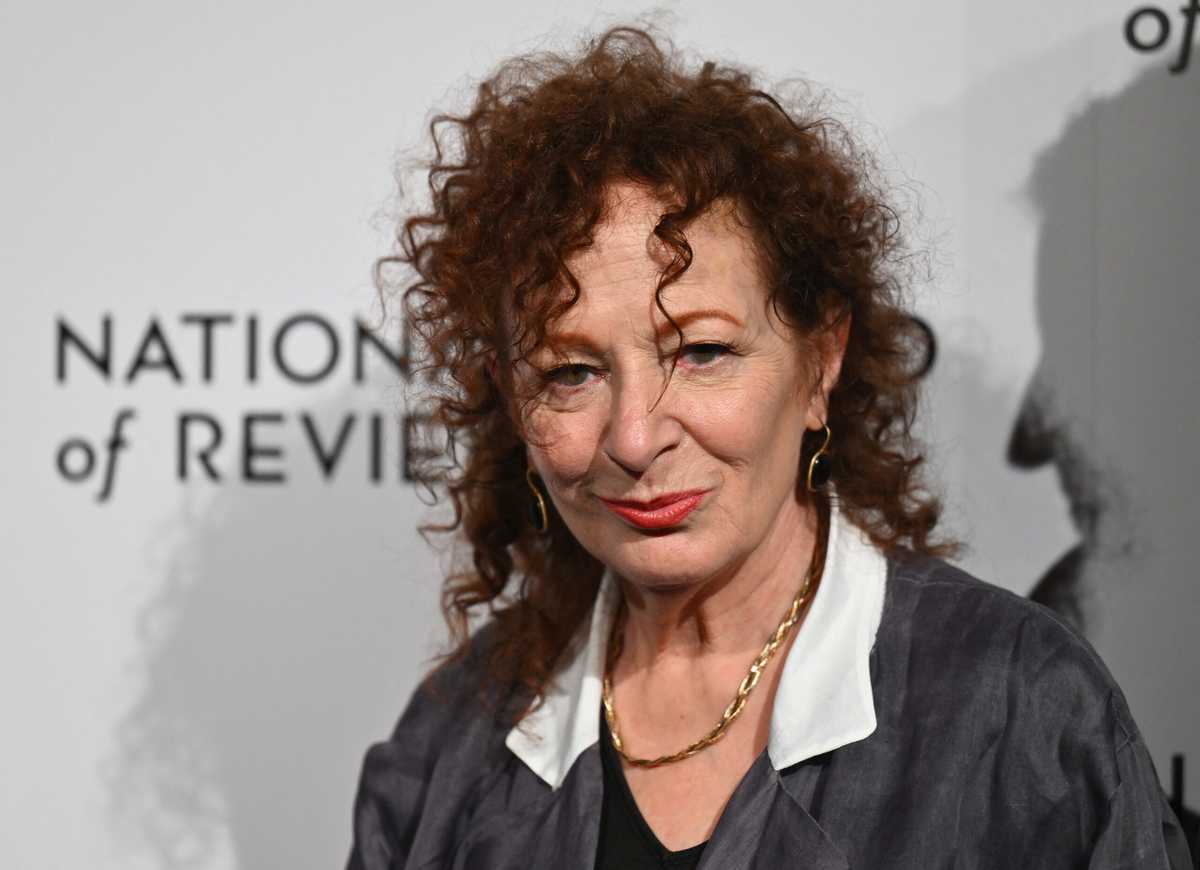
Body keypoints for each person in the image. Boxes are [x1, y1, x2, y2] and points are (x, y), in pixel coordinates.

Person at [346, 24, 1191, 869]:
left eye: (702, 352)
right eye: (570, 371)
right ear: (509, 397)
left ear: (820, 362)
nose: (636, 438)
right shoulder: (450, 745)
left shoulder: (1019, 711)